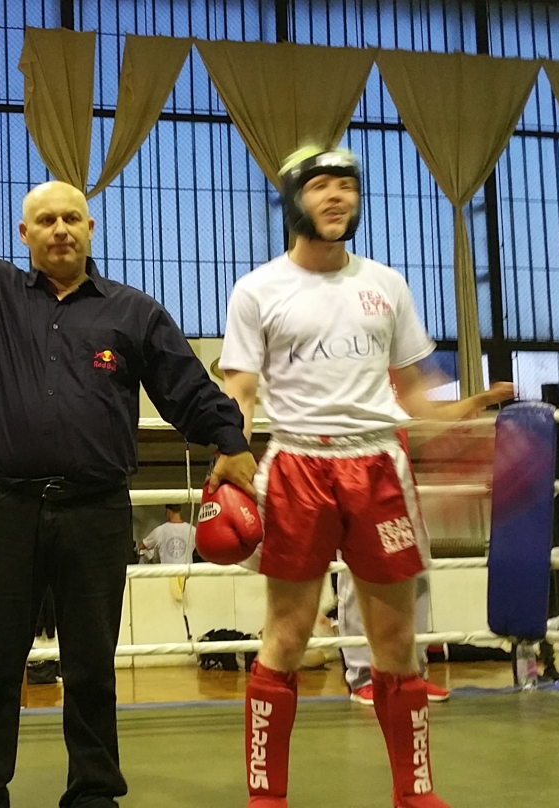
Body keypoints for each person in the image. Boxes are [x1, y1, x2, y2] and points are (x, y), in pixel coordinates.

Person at [0, 13, 255, 808]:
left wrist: (230, 440)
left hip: (96, 512)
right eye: (46, 219)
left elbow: (186, 388)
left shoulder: (133, 312)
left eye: (72, 217)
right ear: (24, 233)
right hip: (10, 508)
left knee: (92, 667)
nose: (60, 229)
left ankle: (93, 793)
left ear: (90, 228)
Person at [218, 145, 518, 808]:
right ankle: (266, 796)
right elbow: (239, 390)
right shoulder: (258, 289)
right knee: (287, 635)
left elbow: (415, 394)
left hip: (378, 463)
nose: (337, 197)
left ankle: (415, 791)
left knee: (397, 638)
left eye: (347, 186)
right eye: (321, 186)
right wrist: (228, 455)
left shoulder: (386, 284)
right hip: (297, 463)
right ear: (294, 199)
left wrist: (469, 418)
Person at [339, 381, 513, 704]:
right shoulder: (349, 371)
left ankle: (411, 673)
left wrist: (481, 400)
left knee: (415, 576)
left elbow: (427, 416)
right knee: (356, 579)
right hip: (355, 479)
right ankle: (363, 677)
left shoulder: (396, 373)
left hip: (398, 483)